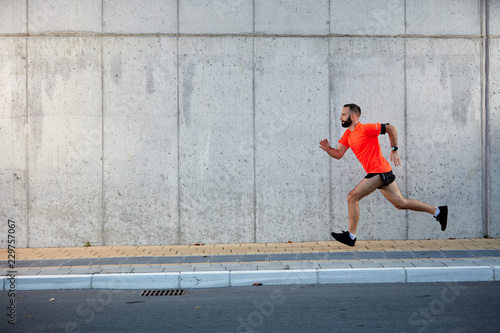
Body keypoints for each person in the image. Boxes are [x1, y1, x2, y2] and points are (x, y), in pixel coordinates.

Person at [319, 104, 448, 247]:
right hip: (380, 171)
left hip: (379, 170)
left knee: (352, 197)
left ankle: (351, 235)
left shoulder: (365, 128)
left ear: (353, 116)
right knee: (401, 203)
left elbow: (391, 128)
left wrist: (394, 149)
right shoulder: (348, 135)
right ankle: (438, 211)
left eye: (343, 115)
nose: (340, 118)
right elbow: (338, 154)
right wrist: (327, 149)